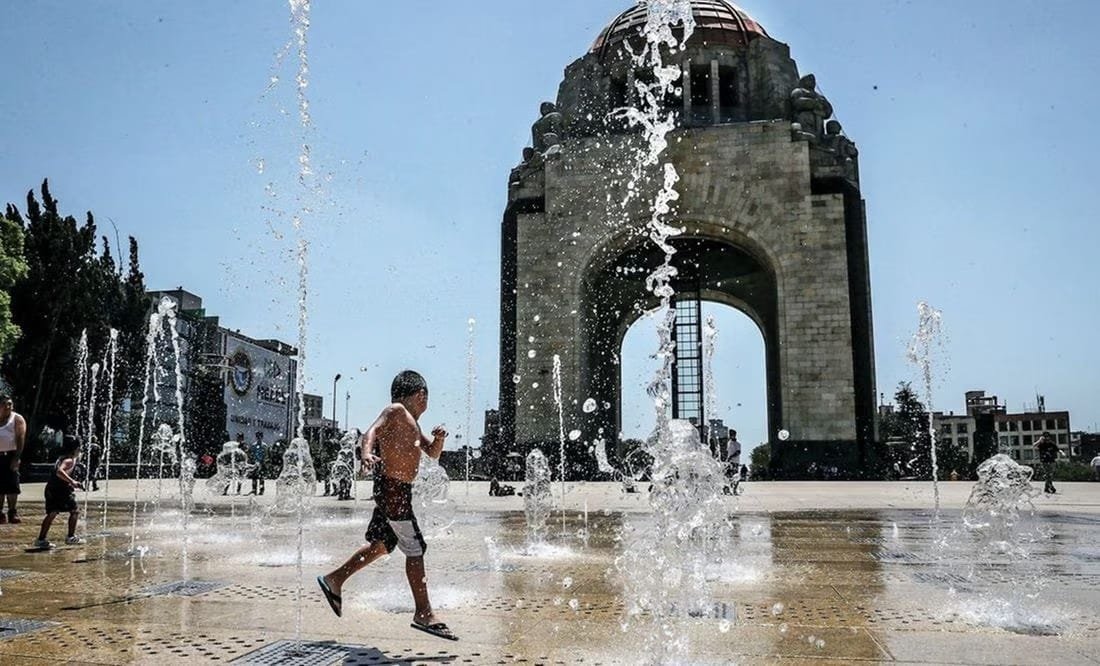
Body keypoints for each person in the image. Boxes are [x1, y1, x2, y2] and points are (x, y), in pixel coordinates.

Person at [318, 370, 457, 641]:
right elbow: (370, 432)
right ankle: (423, 613)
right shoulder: (396, 411)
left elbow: (432, 453)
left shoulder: (413, 423)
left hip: (395, 490)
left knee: (381, 545)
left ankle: (334, 580)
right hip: (393, 490)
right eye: (425, 397)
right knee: (415, 549)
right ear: (421, 395)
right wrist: (366, 453)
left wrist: (439, 440)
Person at [34, 435, 85, 549]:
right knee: (75, 511)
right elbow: (59, 472)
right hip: (61, 490)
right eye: (80, 448)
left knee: (52, 513)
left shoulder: (61, 458)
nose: (80, 451)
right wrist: (72, 481)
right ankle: (71, 537)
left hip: (51, 488)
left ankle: (41, 539)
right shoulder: (69, 460)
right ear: (75, 449)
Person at [0, 394, 27, 525]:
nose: (8, 407)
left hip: (11, 455)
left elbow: (20, 439)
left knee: (12, 486)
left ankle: (12, 511)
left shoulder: (16, 419)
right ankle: (0, 513)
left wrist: (16, 457)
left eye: (10, 404)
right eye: (4, 404)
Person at [724, 431, 742, 495]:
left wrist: (731, 457)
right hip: (729, 462)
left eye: (732, 434)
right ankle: (726, 489)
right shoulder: (729, 443)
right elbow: (727, 452)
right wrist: (726, 459)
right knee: (727, 476)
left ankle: (735, 490)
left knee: (736, 476)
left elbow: (738, 452)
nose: (731, 436)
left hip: (735, 462)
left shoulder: (737, 444)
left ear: (735, 435)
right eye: (730, 434)